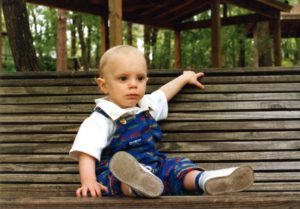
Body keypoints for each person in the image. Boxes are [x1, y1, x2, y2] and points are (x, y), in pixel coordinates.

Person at [69, 45, 254, 198]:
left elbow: (163, 94)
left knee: (177, 167)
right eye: (123, 78)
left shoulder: (145, 106)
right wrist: (88, 181)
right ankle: (138, 185)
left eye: (140, 78)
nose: (133, 84)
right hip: (118, 172)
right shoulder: (101, 119)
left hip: (155, 168)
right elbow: (87, 152)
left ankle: (206, 180)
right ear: (104, 85)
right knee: (119, 179)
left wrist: (184, 77)